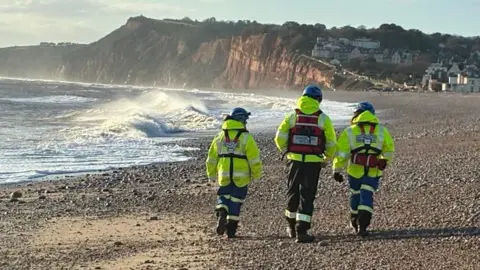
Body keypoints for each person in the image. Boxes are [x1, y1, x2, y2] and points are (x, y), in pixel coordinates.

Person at [274, 85, 337, 243]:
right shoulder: (323, 118)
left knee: (292, 192)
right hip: (313, 162)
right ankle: (302, 230)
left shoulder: (292, 116)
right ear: (318, 100)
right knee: (307, 195)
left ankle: (290, 226)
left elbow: (279, 137)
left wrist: (286, 152)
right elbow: (331, 143)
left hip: (294, 161)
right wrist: (326, 158)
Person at [332, 101, 395, 237]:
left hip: (354, 171)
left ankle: (354, 220)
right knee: (367, 195)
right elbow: (389, 149)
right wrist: (384, 161)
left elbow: (342, 153)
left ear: (356, 114)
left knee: (355, 194)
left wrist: (336, 170)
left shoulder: (349, 131)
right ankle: (363, 227)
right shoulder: (382, 131)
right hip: (373, 171)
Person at [206, 107, 263, 238]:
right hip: (241, 176)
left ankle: (221, 211)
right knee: (236, 200)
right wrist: (257, 174)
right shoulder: (246, 137)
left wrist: (211, 174)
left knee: (223, 195)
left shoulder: (220, 136)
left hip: (223, 173)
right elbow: (254, 159)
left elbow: (212, 158)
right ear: (242, 120)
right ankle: (231, 229)